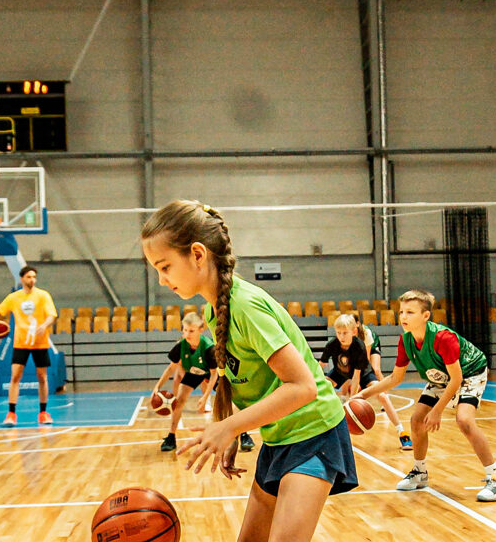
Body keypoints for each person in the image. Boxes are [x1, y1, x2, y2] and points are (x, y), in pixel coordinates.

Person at [142, 200, 357, 542]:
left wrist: (229, 427)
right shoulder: (215, 312)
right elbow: (232, 380)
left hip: (314, 433)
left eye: (165, 266)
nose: (162, 279)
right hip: (278, 439)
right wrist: (227, 429)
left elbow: (303, 387)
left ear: (198, 255)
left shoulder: (246, 306)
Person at [353, 289, 496, 502]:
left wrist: (437, 411)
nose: (403, 317)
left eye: (410, 312)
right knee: (416, 419)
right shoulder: (406, 340)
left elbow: (456, 380)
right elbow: (395, 379)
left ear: (425, 316)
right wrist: (362, 395)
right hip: (442, 377)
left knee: (464, 420)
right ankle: (420, 472)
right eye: (401, 312)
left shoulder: (443, 338)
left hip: (470, 372)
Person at [0, 265, 57, 427]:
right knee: (15, 377)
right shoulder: (14, 297)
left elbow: (52, 315)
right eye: (29, 277)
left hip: (40, 342)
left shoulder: (43, 295)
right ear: (22, 279)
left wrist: (44, 325)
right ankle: (11, 414)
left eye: (34, 277)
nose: (32, 279)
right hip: (21, 342)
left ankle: (43, 413)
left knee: (42, 377)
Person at [154, 311, 218, 451]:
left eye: (191, 330)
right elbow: (170, 369)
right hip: (195, 371)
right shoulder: (181, 346)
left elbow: (213, 375)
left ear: (201, 330)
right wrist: (157, 386)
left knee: (227, 399)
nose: (187, 334)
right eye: (185, 330)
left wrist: (205, 396)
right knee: (179, 400)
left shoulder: (209, 348)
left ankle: (242, 434)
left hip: (213, 372)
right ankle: (171, 437)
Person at [355, 316, 413, 450]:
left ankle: (401, 431)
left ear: (356, 325)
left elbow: (365, 360)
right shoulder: (339, 344)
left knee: (376, 370)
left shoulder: (366, 334)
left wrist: (365, 386)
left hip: (367, 357)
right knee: (348, 393)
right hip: (353, 372)